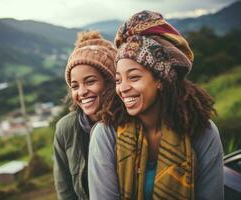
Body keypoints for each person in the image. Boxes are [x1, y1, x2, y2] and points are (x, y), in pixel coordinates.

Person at [88, 11, 224, 200]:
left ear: (160, 80)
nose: (123, 88)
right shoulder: (106, 134)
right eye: (118, 80)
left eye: (134, 77)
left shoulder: (203, 132)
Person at [53, 30, 116, 200]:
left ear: (110, 82)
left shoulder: (131, 121)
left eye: (90, 81)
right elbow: (65, 191)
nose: (82, 92)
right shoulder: (65, 129)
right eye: (75, 86)